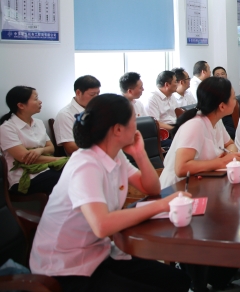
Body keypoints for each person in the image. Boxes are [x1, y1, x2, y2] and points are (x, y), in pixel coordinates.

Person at [29, 94, 190, 292]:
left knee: (177, 280)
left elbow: (151, 188)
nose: (137, 124)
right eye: (134, 119)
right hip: (66, 269)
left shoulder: (114, 154)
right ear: (118, 129)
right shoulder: (85, 165)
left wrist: (140, 153)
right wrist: (161, 205)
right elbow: (101, 225)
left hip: (98, 253)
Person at [160, 77, 240, 188]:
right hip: (177, 188)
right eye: (233, 97)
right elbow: (181, 168)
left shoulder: (216, 120)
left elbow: (230, 144)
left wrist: (230, 154)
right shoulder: (195, 125)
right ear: (222, 106)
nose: (236, 101)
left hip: (201, 182)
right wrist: (222, 162)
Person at [1, 86, 63, 195]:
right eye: (36, 99)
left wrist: (39, 150)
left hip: (46, 168)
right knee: (66, 178)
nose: (40, 101)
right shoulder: (6, 128)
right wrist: (57, 159)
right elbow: (25, 158)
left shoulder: (38, 123)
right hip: (24, 177)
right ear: (21, 105)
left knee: (78, 169)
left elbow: (51, 148)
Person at [55, 76, 101, 156]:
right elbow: (71, 148)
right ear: (78, 93)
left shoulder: (98, 109)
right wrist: (102, 148)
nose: (96, 97)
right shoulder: (65, 115)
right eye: (92, 94)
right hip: (84, 158)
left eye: (98, 93)